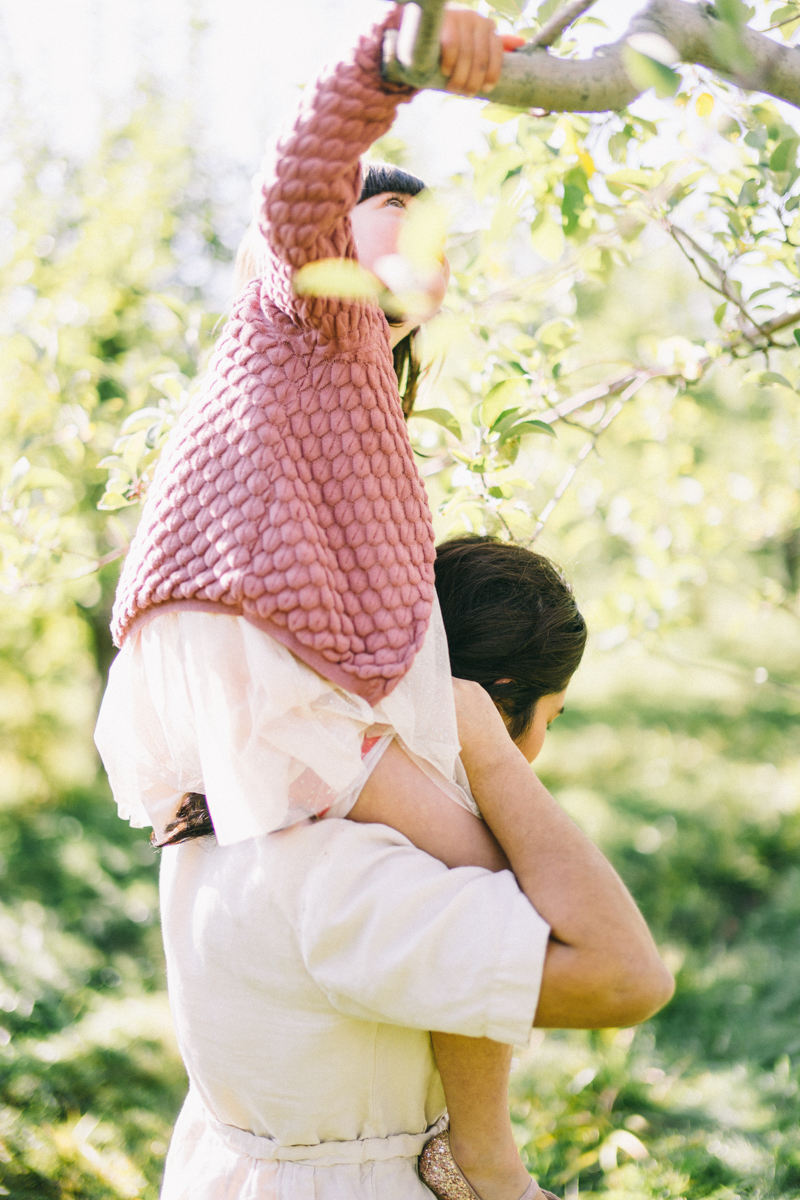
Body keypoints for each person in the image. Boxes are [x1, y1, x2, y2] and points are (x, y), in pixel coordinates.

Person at [93, 9, 674, 1199]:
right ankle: (484, 1148)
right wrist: (390, 61)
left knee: (492, 880)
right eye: (384, 227)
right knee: (500, 884)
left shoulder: (360, 393)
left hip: (299, 688)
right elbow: (304, 176)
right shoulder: (295, 312)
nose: (412, 262)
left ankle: (480, 1136)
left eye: (428, 247)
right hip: (275, 677)